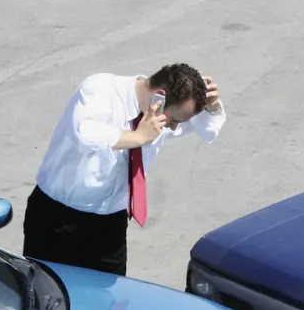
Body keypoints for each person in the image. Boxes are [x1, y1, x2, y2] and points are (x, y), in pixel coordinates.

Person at [22, 63, 224, 276]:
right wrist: (138, 137)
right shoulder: (99, 89)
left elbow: (208, 132)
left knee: (109, 301)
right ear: (159, 98)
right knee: (46, 298)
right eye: (173, 120)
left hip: (110, 225)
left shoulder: (158, 116)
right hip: (58, 220)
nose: (173, 127)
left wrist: (213, 106)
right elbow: (86, 135)